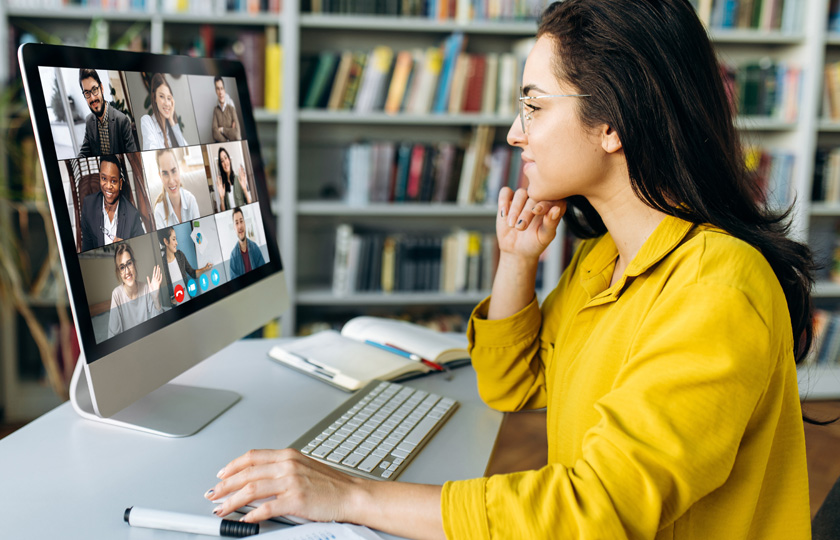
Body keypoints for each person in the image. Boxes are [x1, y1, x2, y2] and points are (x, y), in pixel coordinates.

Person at [202, 1, 817, 539]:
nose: (514, 133)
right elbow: (510, 385)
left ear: (612, 123)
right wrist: (519, 262)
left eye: (534, 107)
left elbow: (593, 512)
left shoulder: (716, 287)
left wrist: (352, 495)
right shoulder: (607, 256)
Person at [80, 155, 146, 252]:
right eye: (104, 178)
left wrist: (127, 247)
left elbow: (142, 249)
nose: (108, 186)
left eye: (113, 181)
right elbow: (86, 248)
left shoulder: (132, 215)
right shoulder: (88, 205)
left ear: (120, 184)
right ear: (99, 177)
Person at [77, 68, 138, 158]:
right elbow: (84, 152)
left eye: (94, 90)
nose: (92, 98)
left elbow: (133, 157)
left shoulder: (122, 120)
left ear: (101, 88)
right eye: (87, 93)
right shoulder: (89, 121)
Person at [106, 243, 163, 338]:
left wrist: (155, 298)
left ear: (134, 263)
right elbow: (112, 336)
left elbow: (159, 324)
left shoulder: (145, 288)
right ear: (119, 272)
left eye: (129, 263)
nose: (127, 271)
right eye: (122, 267)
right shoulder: (117, 295)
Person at [161, 227, 213, 306]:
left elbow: (192, 273)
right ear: (166, 241)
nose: (177, 243)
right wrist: (170, 300)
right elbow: (163, 294)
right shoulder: (162, 265)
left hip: (189, 301)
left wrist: (205, 268)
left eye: (176, 239)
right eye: (174, 239)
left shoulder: (180, 255)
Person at [153, 149, 201, 228]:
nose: (171, 181)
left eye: (173, 171)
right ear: (160, 176)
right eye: (165, 173)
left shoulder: (191, 200)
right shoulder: (159, 212)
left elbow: (199, 232)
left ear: (179, 170)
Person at [141, 73, 187, 150]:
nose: (166, 103)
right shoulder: (147, 121)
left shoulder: (170, 127)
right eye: (161, 96)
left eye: (169, 98)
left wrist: (171, 120)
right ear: (155, 97)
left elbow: (186, 149)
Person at [228, 208, 265, 279]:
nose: (240, 226)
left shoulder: (255, 247)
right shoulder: (233, 256)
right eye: (236, 223)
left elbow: (263, 273)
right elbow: (235, 283)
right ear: (234, 227)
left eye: (241, 221)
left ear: (244, 223)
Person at [215, 147, 255, 211]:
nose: (225, 163)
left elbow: (250, 205)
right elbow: (223, 212)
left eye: (225, 158)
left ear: (229, 159)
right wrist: (221, 199)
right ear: (221, 165)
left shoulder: (239, 180)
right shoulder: (222, 187)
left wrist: (245, 189)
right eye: (222, 161)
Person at [211, 76, 241, 142]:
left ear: (224, 89)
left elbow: (234, 126)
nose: (220, 92)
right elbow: (215, 130)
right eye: (218, 89)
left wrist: (222, 129)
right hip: (223, 138)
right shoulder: (216, 106)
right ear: (215, 90)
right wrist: (225, 140)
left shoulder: (230, 103)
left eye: (221, 88)